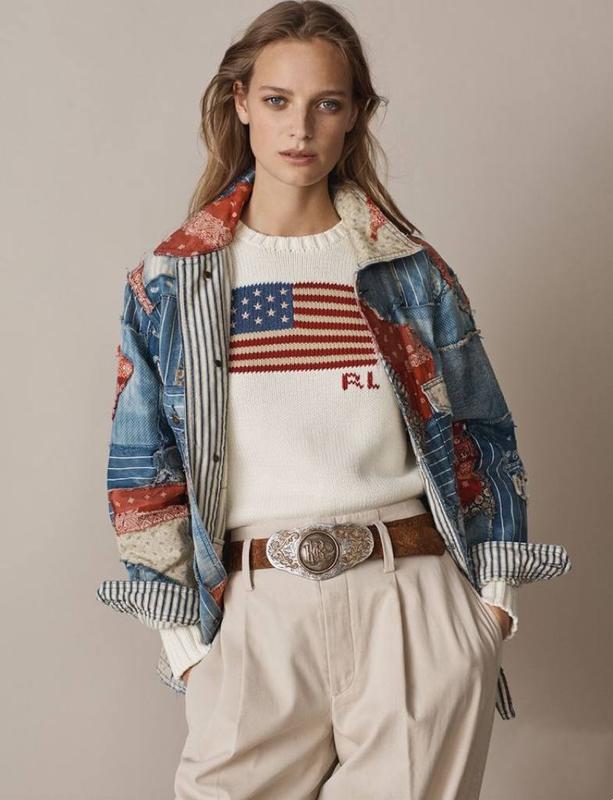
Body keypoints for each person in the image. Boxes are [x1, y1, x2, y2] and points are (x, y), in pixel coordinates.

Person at [97, 2, 572, 798]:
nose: (300, 128)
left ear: (354, 115)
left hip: (410, 602)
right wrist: (187, 648)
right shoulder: (171, 283)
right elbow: (143, 474)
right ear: (240, 102)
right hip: (254, 614)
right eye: (277, 100)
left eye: (327, 103)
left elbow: (482, 435)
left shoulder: (408, 271)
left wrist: (489, 612)